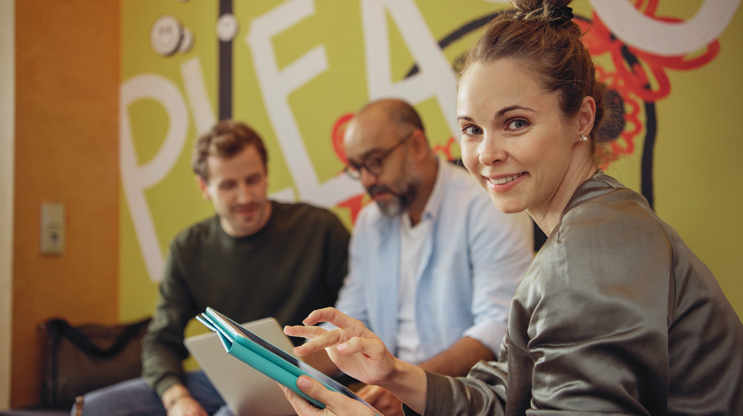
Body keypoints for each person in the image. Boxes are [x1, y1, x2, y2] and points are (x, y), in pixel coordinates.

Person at [279, 1, 743, 415]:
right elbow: (513, 393)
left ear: (582, 118)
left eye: (516, 123)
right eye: (472, 130)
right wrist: (396, 375)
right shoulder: (592, 227)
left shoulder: (586, 255)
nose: (487, 154)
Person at [76, 120, 351, 416]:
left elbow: (358, 316)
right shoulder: (188, 248)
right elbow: (160, 340)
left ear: (266, 175)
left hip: (305, 377)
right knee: (94, 409)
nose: (245, 197)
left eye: (253, 180)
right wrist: (177, 399)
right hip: (224, 379)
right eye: (229, 185)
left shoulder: (320, 229)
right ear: (204, 187)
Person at [332, 98, 533, 415]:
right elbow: (350, 319)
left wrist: (405, 383)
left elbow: (498, 328)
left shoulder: (486, 205)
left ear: (416, 145)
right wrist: (287, 366)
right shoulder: (371, 223)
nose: (367, 180)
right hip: (387, 394)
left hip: (467, 398)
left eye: (375, 162)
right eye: (358, 169)